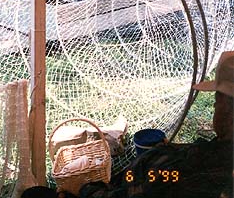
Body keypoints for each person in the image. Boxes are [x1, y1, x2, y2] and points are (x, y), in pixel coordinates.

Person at [77, 51, 234, 198]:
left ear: (229, 113)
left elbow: (136, 193)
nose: (215, 108)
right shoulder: (219, 154)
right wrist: (170, 148)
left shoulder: (191, 175)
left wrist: (83, 190)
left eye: (216, 102)